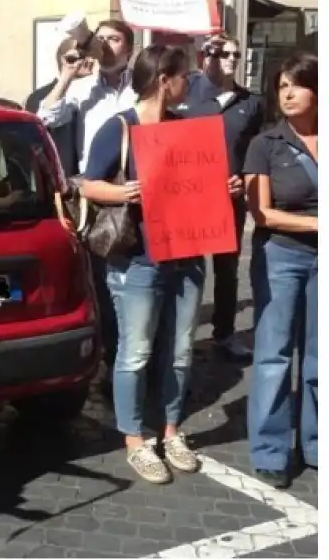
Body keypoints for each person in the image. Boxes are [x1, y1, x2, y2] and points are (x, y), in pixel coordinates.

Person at [80, 45, 243, 484]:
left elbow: (198, 185)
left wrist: (224, 185)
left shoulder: (186, 130)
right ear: (163, 79)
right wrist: (124, 192)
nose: (189, 82)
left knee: (180, 350)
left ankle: (171, 431)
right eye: (184, 75)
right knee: (135, 353)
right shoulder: (119, 129)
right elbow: (87, 185)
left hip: (186, 257)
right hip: (138, 261)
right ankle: (135, 438)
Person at [35, 17, 137, 389]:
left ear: (129, 46)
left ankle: (138, 357)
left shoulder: (140, 85)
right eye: (102, 38)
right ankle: (113, 359)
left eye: (115, 39)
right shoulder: (83, 89)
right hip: (95, 192)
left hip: (136, 188)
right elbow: (43, 118)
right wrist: (67, 74)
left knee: (138, 277)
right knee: (102, 282)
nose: (107, 45)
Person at [244, 53, 318, 489]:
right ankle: (271, 451)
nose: (287, 93)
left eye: (297, 84)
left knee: (319, 357)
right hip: (282, 255)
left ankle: (314, 443)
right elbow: (263, 212)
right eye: (281, 86)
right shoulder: (265, 143)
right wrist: (316, 223)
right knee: (274, 355)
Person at [181, 35, 265, 361]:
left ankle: (225, 334)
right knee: (187, 268)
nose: (230, 59)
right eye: (221, 53)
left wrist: (244, 181)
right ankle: (181, 337)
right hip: (187, 200)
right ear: (205, 57)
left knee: (227, 269)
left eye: (235, 54)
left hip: (229, 200)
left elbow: (258, 150)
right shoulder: (185, 96)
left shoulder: (251, 102)